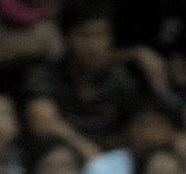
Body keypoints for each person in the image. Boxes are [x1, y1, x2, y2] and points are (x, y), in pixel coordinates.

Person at [21, 0, 141, 161]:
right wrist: (85, 148)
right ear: (66, 37)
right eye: (85, 35)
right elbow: (42, 123)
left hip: (107, 162)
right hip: (56, 159)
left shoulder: (119, 79)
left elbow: (131, 127)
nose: (94, 46)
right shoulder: (44, 75)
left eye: (101, 35)